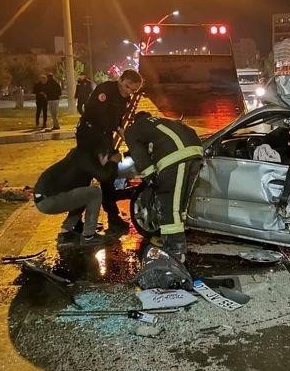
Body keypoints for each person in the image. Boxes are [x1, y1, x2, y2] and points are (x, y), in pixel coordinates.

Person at [124, 111, 203, 260]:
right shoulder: (164, 121)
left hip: (175, 159)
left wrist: (149, 179)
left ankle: (175, 251)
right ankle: (176, 241)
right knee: (180, 206)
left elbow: (139, 155)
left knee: (169, 205)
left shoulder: (133, 129)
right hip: (196, 154)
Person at [76, 69, 143, 234]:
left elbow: (117, 121)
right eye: (127, 86)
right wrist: (108, 150)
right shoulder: (105, 90)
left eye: (133, 90)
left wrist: (125, 134)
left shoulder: (125, 98)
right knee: (85, 177)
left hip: (104, 136)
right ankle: (75, 221)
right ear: (120, 80)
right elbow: (98, 116)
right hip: (89, 135)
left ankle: (113, 216)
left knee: (109, 176)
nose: (128, 91)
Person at [34, 141, 121, 247]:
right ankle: (89, 236)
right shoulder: (85, 159)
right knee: (95, 192)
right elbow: (104, 177)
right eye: (107, 160)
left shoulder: (82, 156)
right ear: (102, 154)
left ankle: (65, 233)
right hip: (47, 200)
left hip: (46, 198)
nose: (105, 164)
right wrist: (113, 162)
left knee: (85, 194)